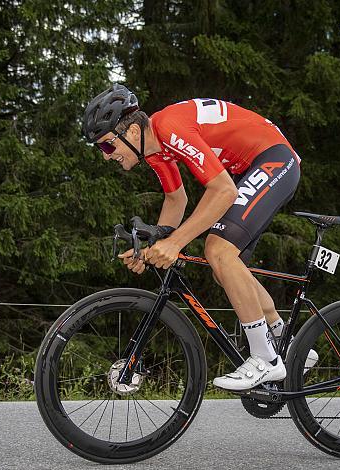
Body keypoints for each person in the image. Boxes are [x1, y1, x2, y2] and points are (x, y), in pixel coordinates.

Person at [82, 83, 309, 391]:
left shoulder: (168, 126)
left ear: (132, 132)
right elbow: (176, 200)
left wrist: (175, 243)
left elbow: (224, 191)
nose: (107, 156)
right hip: (249, 167)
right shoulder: (156, 149)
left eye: (108, 145)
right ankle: (285, 338)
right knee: (225, 269)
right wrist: (153, 249)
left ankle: (266, 359)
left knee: (218, 251)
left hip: (273, 158)